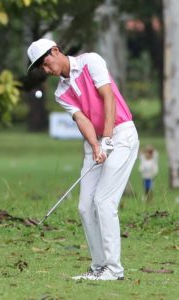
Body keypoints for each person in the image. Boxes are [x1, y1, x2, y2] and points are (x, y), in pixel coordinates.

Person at [27, 38, 139, 281]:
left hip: (121, 134)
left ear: (55, 51)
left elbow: (108, 98)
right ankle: (99, 266)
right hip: (97, 141)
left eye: (46, 63)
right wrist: (96, 145)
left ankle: (114, 269)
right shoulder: (61, 92)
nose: (46, 70)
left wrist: (108, 138)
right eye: (41, 69)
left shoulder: (91, 62)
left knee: (104, 201)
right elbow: (82, 120)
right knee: (85, 206)